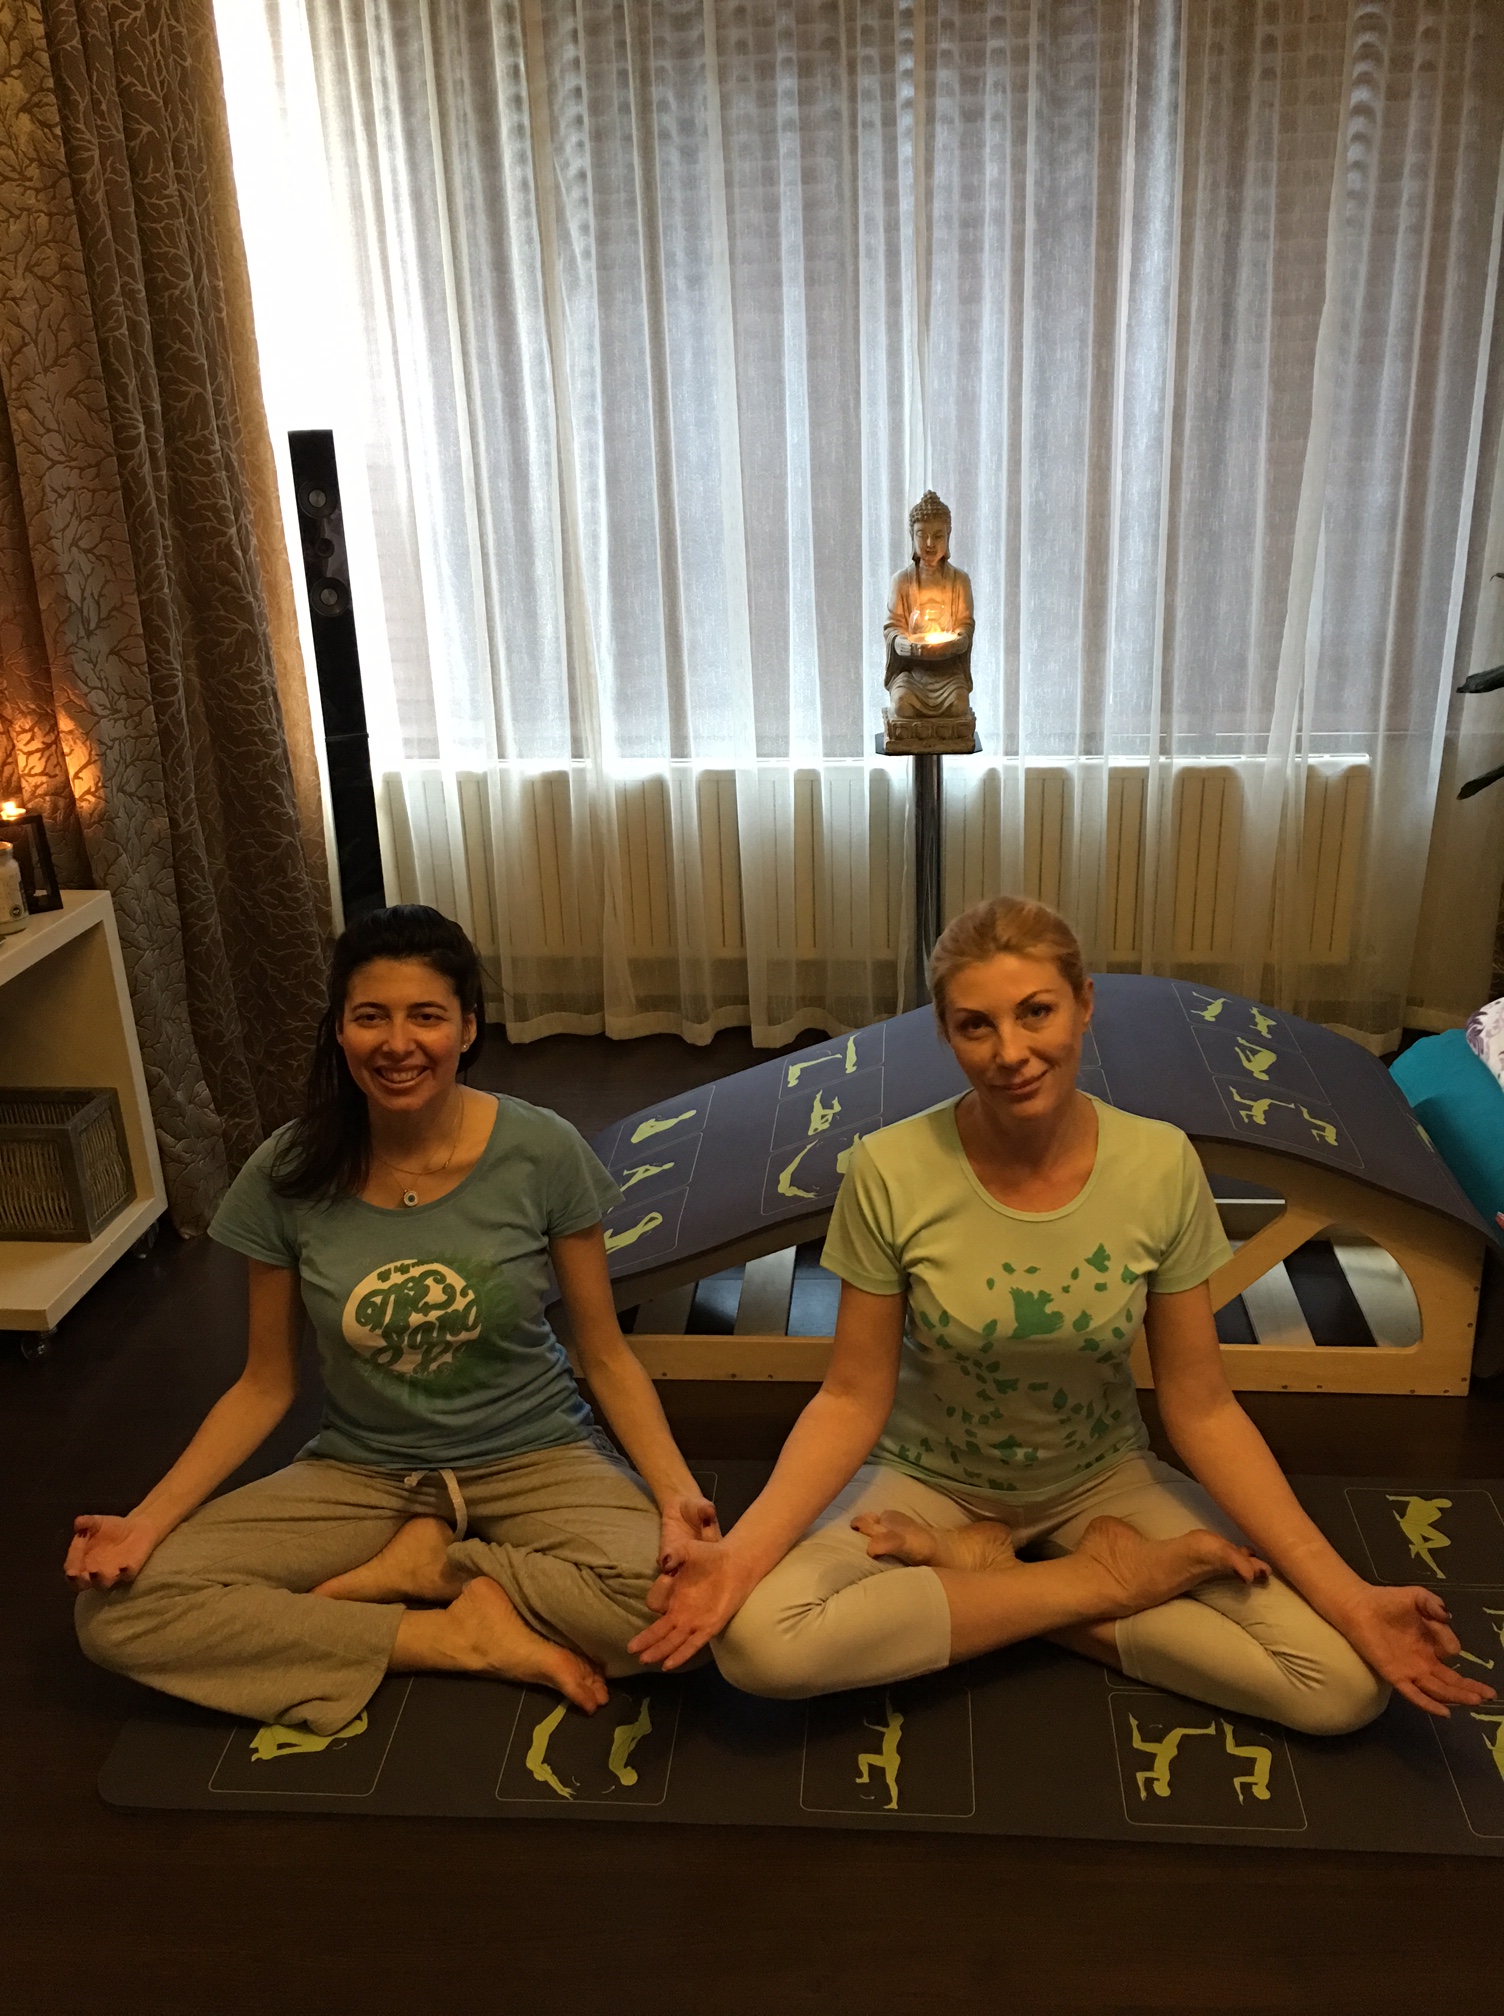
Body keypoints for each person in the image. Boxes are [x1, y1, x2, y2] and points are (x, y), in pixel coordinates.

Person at [629, 896, 1494, 1736]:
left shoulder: (1160, 1165)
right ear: (946, 1034)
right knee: (757, 1644)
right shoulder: (889, 1170)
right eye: (976, 1025)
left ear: (1084, 1005)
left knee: (1339, 1684)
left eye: (1036, 1012)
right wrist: (739, 1560)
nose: (1011, 1052)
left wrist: (1350, 1598)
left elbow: (1202, 1407)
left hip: (1101, 1479)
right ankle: (1092, 1584)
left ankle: (989, 1583)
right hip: (926, 1479)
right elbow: (851, 1398)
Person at [68, 905, 715, 1734]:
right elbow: (264, 1385)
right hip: (363, 1471)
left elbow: (607, 1356)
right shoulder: (287, 1169)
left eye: (426, 1017)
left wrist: (676, 1496)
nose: (397, 1044)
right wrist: (146, 1522)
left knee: (690, 1616)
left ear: (468, 1028)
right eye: (370, 1016)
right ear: (339, 1030)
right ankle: (442, 1636)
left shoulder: (542, 1151)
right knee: (119, 1614)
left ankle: (438, 1568)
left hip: (535, 1453)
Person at [883, 490, 974, 721]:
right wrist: (902, 643)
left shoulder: (959, 581)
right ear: (912, 537)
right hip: (912, 672)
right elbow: (893, 627)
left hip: (947, 672)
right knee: (902, 706)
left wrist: (960, 640)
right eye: (922, 535)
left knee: (958, 706)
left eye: (938, 536)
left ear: (948, 536)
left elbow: (965, 625)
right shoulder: (901, 581)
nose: (930, 544)